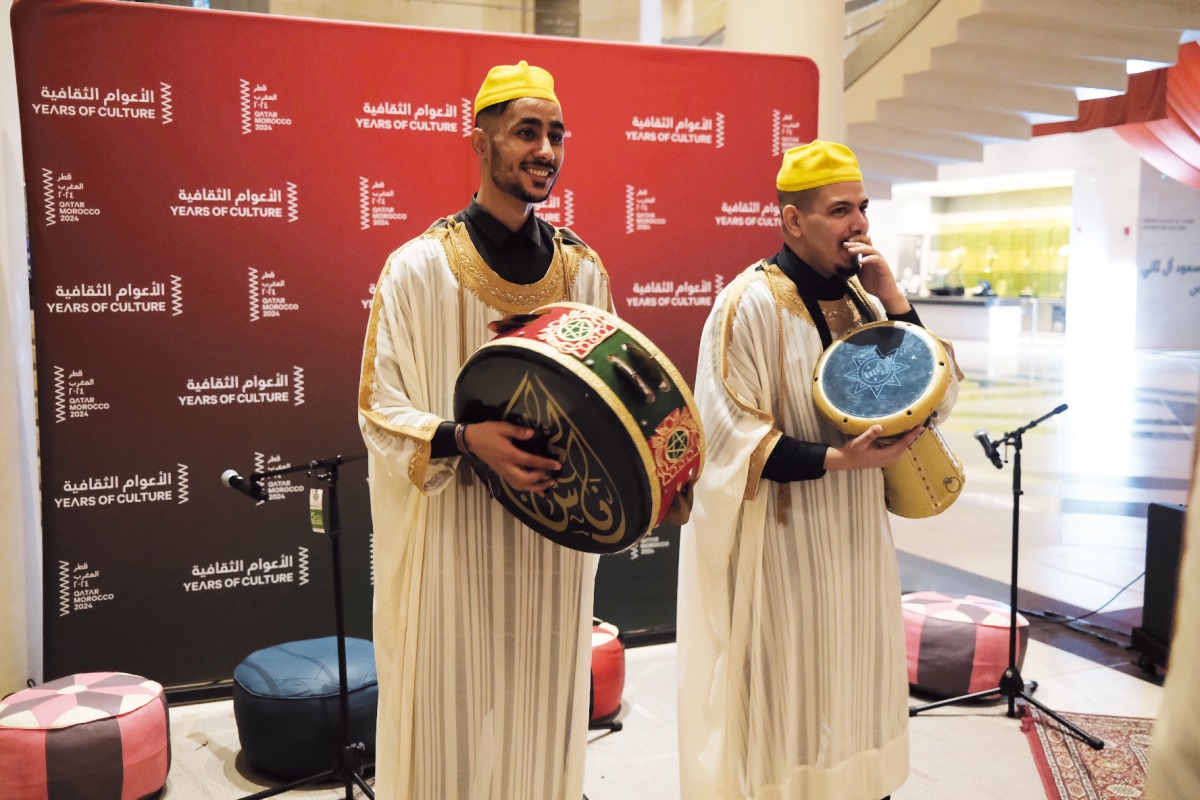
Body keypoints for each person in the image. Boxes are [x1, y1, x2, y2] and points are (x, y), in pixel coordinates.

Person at [358, 61, 612, 800]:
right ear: (480, 141)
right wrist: (467, 441)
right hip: (454, 545)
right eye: (526, 132)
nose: (545, 151)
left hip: (552, 544)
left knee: (540, 713)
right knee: (449, 718)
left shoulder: (583, 272)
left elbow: (614, 399)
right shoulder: (416, 270)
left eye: (556, 135)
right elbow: (379, 405)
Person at [675, 140, 959, 800]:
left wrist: (898, 304)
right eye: (839, 210)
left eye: (862, 208)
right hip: (784, 546)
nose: (859, 224)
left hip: (857, 540)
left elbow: (935, 395)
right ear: (792, 221)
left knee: (857, 685)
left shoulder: (866, 304)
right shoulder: (746, 305)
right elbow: (728, 436)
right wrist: (838, 459)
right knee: (788, 699)